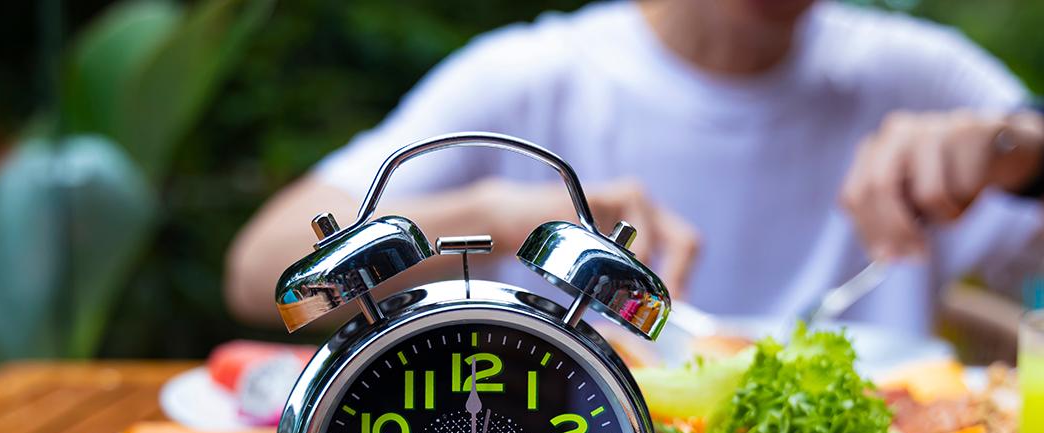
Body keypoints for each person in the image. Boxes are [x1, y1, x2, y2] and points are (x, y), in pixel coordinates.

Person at [225, 0, 1044, 334]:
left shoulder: (924, 76)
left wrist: (1023, 154)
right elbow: (265, 274)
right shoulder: (532, 77)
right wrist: (504, 215)